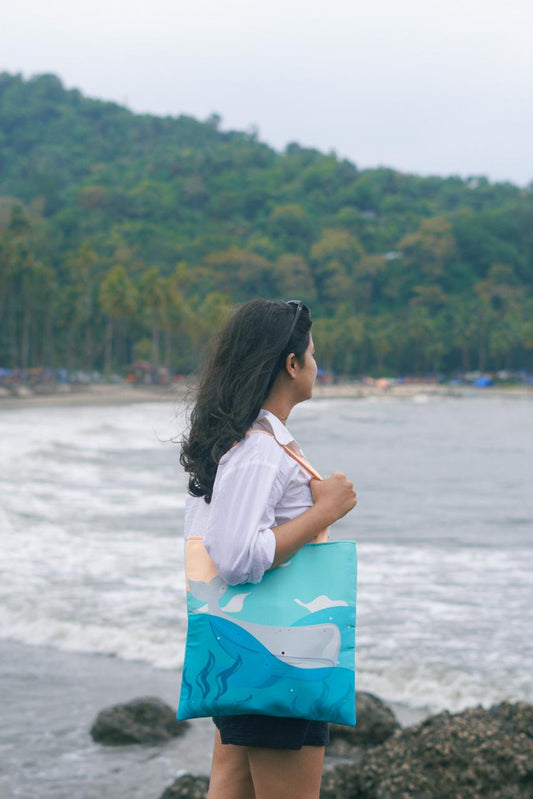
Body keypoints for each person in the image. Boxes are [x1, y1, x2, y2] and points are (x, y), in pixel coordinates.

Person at [180, 298, 357, 799]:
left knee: (231, 786)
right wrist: (326, 510)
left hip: (251, 649)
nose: (317, 367)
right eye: (313, 356)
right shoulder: (259, 450)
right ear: (291, 363)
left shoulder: (248, 443)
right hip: (282, 656)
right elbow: (236, 557)